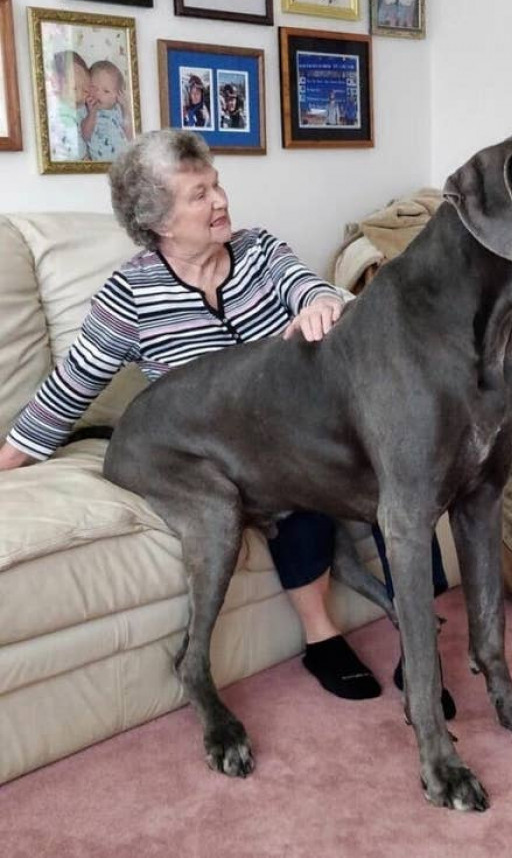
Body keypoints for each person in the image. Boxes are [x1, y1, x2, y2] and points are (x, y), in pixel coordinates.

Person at [0, 132, 454, 712]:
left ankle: (421, 647)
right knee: (298, 490)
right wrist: (10, 459)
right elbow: (70, 388)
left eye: (215, 185)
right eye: (198, 194)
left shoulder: (259, 250)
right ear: (159, 220)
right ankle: (322, 638)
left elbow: (304, 285)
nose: (219, 200)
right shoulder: (130, 295)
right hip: (221, 446)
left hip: (303, 419)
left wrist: (322, 302)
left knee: (399, 479)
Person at [81, 59, 133, 161]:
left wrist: (126, 109)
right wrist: (92, 114)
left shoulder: (118, 110)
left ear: (117, 96)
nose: (98, 94)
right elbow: (85, 135)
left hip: (121, 161)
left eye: (106, 91)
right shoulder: (86, 110)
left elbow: (131, 136)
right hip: (99, 163)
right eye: (94, 88)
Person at [48, 49, 89, 161]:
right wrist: (86, 159)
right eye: (75, 88)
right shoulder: (62, 113)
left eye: (86, 90)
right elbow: (75, 144)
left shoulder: (82, 108)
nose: (82, 95)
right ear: (57, 83)